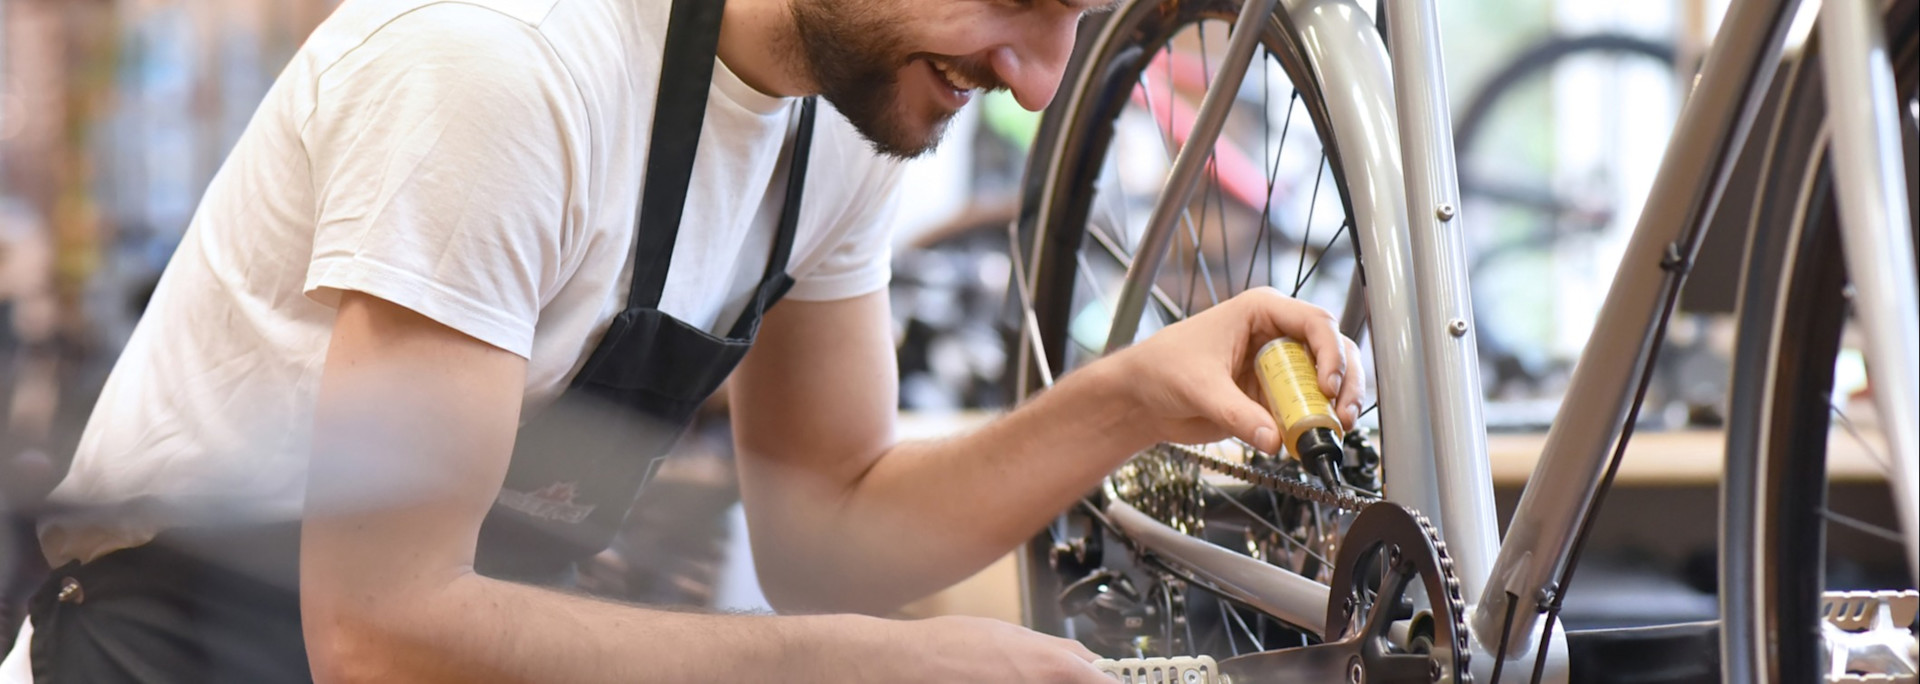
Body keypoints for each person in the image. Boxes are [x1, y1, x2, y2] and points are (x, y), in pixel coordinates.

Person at [3, 0, 1367, 681]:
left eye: (1073, 15)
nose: (1034, 78)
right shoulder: (506, 65)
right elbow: (382, 629)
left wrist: (1127, 397)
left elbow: (826, 524)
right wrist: (872, 665)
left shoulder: (847, 115)